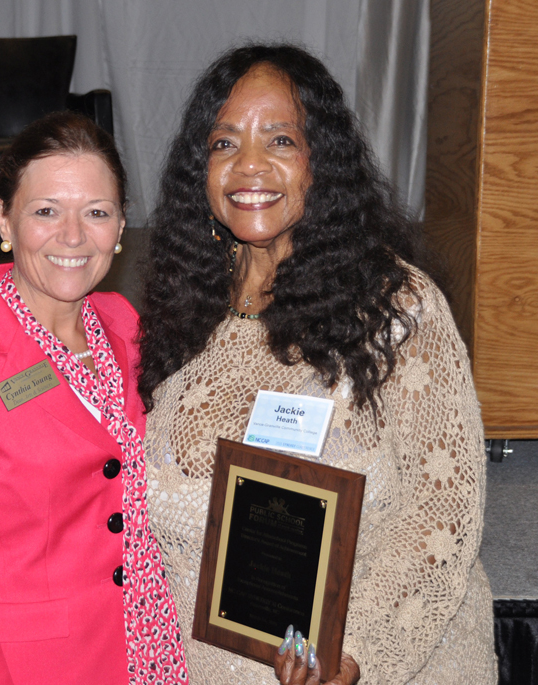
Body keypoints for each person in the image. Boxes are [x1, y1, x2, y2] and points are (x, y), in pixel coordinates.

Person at [138, 44, 497, 685]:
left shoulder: (396, 309)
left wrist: (351, 653)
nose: (250, 165)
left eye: (280, 140)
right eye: (224, 144)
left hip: (373, 662)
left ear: (319, 162)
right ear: (200, 168)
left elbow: (442, 510)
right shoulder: (181, 304)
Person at [0, 111, 187, 685]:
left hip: (146, 648)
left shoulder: (123, 327)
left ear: (121, 226)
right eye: (46, 211)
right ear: (3, 217)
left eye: (96, 212)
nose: (73, 236)